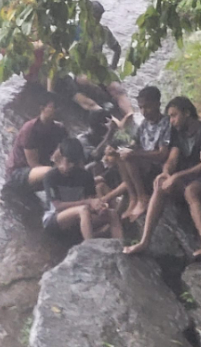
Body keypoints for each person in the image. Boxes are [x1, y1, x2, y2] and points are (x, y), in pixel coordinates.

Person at [124, 97, 201, 256]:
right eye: (170, 116)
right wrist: (166, 172)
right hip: (187, 179)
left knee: (191, 191)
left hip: (196, 179)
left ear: (187, 113)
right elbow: (172, 158)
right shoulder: (179, 134)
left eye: (174, 115)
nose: (171, 121)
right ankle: (144, 241)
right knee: (161, 185)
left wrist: (178, 175)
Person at [43, 138, 122, 240]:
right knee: (83, 209)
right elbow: (58, 206)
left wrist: (99, 208)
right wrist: (88, 202)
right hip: (56, 219)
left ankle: (120, 246)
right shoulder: (51, 176)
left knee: (112, 214)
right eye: (67, 161)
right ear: (61, 157)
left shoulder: (85, 176)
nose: (69, 166)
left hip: (80, 220)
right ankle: (90, 246)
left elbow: (91, 202)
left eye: (73, 162)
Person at [114, 86, 172, 221]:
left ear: (157, 104)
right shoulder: (144, 124)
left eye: (147, 107)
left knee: (131, 158)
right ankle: (133, 197)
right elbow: (135, 144)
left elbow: (162, 154)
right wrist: (120, 150)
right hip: (143, 165)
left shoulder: (166, 124)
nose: (144, 111)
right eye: (141, 108)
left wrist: (135, 154)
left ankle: (142, 197)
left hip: (157, 168)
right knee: (120, 155)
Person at [5, 93, 68, 191]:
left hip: (42, 168)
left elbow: (64, 151)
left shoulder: (59, 129)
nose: (56, 110)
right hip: (20, 172)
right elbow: (33, 163)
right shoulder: (30, 129)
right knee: (51, 172)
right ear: (42, 108)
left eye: (58, 107)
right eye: (53, 107)